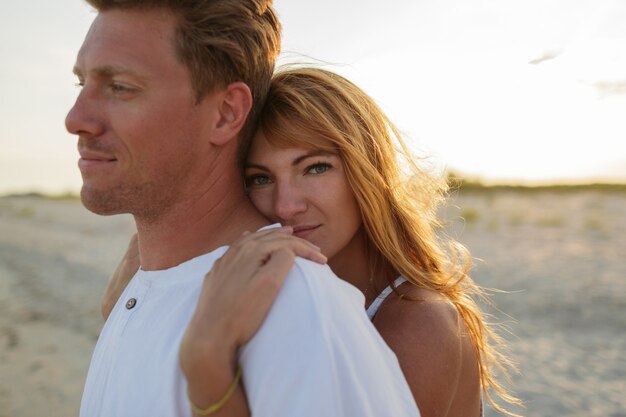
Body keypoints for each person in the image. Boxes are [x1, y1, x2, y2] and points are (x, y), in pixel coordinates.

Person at [65, 1, 421, 417]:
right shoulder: (138, 288)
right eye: (81, 85)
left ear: (227, 113)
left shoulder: (290, 304)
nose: (76, 119)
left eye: (120, 86)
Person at [105, 67, 522, 417]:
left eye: (315, 168)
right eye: (261, 178)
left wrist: (207, 361)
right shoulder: (292, 289)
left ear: (368, 172)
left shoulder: (419, 323)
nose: (286, 205)